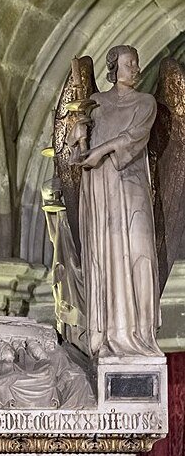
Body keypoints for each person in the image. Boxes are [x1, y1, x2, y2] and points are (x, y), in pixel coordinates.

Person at [73, 44, 163, 357]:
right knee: (106, 256)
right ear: (114, 68)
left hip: (131, 187)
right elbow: (78, 155)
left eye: (136, 63)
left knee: (140, 253)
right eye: (129, 63)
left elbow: (134, 138)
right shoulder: (95, 103)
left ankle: (138, 336)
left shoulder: (145, 102)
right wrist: (78, 134)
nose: (135, 69)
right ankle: (109, 337)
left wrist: (101, 150)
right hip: (100, 190)